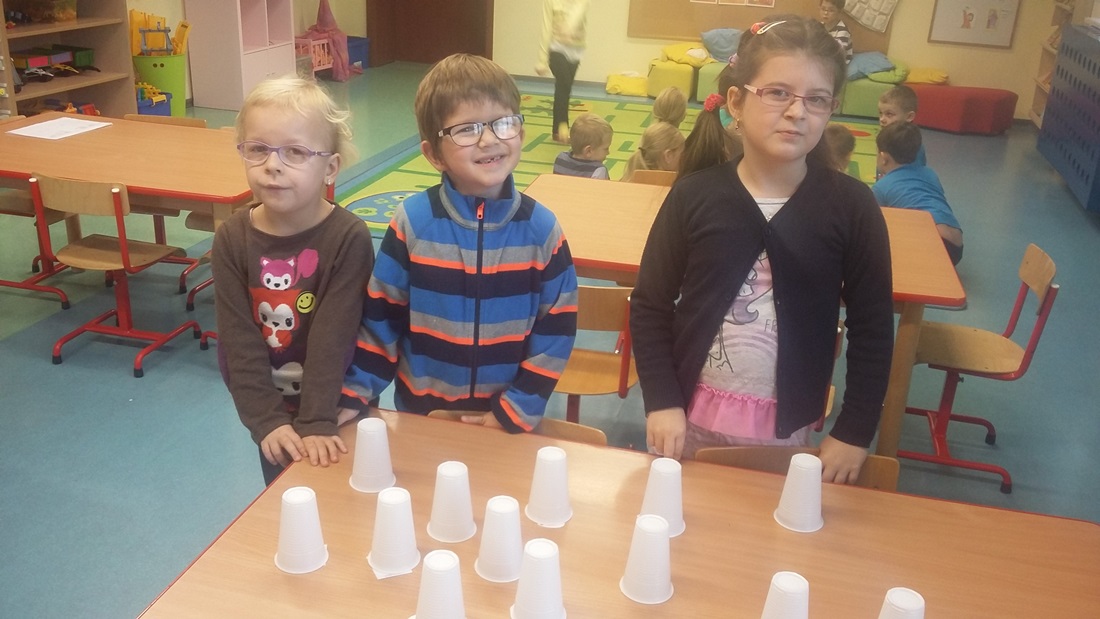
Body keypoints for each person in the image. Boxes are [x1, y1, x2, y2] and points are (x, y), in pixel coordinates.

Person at [629, 17, 895, 484]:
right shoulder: (694, 196)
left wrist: (854, 430)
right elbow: (650, 304)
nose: (797, 112)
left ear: (831, 109)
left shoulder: (852, 207)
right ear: (736, 101)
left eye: (816, 99)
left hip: (785, 431)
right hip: (685, 421)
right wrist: (662, 400)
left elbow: (872, 326)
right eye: (778, 93)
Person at [345, 54, 578, 433]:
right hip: (423, 418)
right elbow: (380, 320)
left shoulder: (542, 229)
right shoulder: (412, 223)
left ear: (520, 133)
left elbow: (556, 330)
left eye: (503, 123)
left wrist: (517, 408)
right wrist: (354, 393)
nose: (489, 139)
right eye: (467, 129)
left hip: (506, 421)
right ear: (434, 154)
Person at [212, 76, 375, 486]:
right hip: (274, 418)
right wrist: (265, 420)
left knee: (348, 500)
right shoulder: (231, 239)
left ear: (330, 168)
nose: (273, 164)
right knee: (289, 505)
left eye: (295, 152)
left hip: (338, 409)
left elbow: (334, 336)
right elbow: (238, 343)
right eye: (258, 149)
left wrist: (317, 420)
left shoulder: (348, 238)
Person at [873, 121, 963, 265]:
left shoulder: (881, 187)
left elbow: (875, 225)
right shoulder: (930, 173)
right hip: (956, 244)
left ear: (883, 158)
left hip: (931, 242)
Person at [536, 0, 590, 144]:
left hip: (576, 50)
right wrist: (542, 59)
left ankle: (557, 130)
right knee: (563, 86)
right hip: (556, 48)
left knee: (565, 89)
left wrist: (568, 29)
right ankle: (561, 128)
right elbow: (546, 27)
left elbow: (579, 13)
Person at [553, 112, 613, 179]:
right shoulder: (599, 171)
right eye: (606, 148)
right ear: (588, 151)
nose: (608, 152)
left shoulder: (561, 159)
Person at [878, 84, 927, 166]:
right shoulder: (884, 137)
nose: (882, 119)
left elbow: (915, 171)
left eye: (889, 114)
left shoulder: (911, 145)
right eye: (880, 113)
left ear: (909, 116)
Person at [819, 0, 853, 64]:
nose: (825, 13)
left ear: (839, 12)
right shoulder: (819, 26)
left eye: (831, 10)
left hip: (839, 61)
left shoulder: (842, 30)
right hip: (824, 57)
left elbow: (839, 54)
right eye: (823, 9)